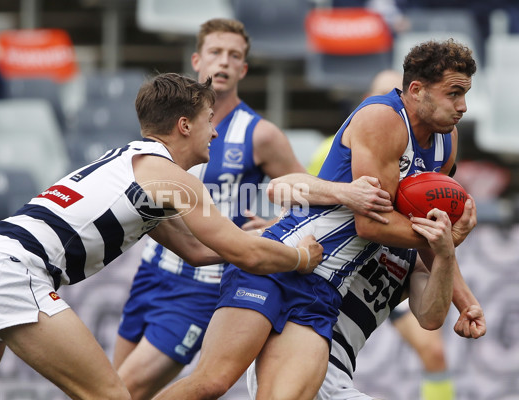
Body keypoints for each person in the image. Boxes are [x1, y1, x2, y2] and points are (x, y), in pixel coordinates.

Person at [0, 72, 330, 400]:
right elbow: (245, 255)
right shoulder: (173, 178)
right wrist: (300, 257)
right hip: (12, 271)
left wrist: (250, 242)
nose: (215, 130)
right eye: (210, 118)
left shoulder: (126, 160)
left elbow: (195, 250)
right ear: (184, 125)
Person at [153, 39, 479, 400]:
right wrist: (440, 239)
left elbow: (432, 251)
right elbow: (368, 223)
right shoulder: (382, 118)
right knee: (211, 382)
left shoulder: (445, 143)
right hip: (280, 263)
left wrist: (463, 295)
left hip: (324, 289)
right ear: (416, 90)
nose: (463, 107)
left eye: (465, 94)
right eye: (454, 94)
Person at [111, 18, 392, 400]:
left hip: (205, 280)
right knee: (112, 387)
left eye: (234, 56)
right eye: (215, 53)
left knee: (127, 389)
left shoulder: (260, 134)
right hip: (154, 268)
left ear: (244, 69)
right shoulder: (171, 120)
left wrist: (274, 224)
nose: (223, 63)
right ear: (197, 59)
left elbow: (306, 199)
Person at [310, 68, 458, 400]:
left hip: (388, 264)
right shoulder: (337, 151)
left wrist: (449, 251)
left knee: (433, 352)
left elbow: (432, 315)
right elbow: (296, 193)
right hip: (314, 343)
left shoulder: (417, 224)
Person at [246, 208, 486, 400]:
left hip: (334, 376)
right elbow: (289, 185)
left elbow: (430, 318)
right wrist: (275, 228)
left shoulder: (417, 260)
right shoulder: (346, 209)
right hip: (292, 355)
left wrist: (446, 254)